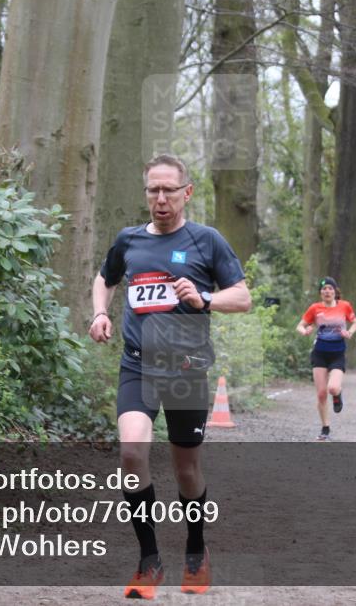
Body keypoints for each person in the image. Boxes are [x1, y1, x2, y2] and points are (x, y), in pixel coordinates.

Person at [89, 154, 251, 599]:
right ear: (146, 193)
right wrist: (100, 313)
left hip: (186, 370)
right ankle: (149, 562)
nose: (161, 199)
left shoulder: (206, 241)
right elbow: (104, 279)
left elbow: (242, 297)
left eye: (169, 190)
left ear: (187, 192)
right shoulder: (129, 240)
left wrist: (204, 298)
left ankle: (196, 552)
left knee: (186, 469)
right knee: (131, 454)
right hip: (138, 364)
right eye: (153, 190)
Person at [296, 277, 356, 441]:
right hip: (319, 353)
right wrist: (304, 331)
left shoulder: (344, 306)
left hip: (337, 353)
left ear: (335, 291)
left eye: (330, 288)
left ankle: (337, 395)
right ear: (320, 293)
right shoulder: (315, 308)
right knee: (321, 394)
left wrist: (349, 333)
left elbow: (355, 322)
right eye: (324, 289)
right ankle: (325, 428)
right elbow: (300, 325)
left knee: (333, 388)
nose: (327, 291)